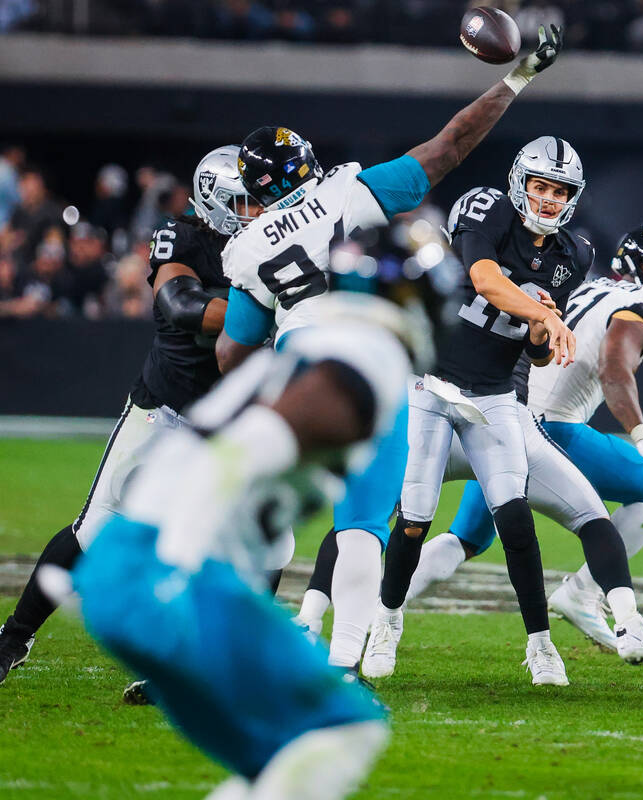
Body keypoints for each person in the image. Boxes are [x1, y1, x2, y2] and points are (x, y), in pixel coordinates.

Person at [216, 25, 565, 679]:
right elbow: (450, 145)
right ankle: (344, 661)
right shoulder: (345, 190)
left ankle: (218, 650)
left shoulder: (248, 246)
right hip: (374, 363)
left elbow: (234, 350)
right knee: (361, 526)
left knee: (252, 519)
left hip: (296, 370)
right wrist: (516, 79)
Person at [70, 292, 428, 800]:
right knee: (347, 727)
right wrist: (178, 567)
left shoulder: (309, 351)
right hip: (165, 568)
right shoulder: (366, 360)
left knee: (274, 762)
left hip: (123, 570)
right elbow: (245, 449)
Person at [375, 138, 643, 687]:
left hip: (496, 398)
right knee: (413, 517)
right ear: (520, 184)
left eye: (560, 191)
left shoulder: (573, 255)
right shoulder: (486, 211)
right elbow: (486, 279)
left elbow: (534, 351)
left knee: (514, 520)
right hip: (434, 386)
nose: (549, 198)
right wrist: (544, 314)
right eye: (541, 186)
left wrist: (540, 332)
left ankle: (540, 647)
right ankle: (384, 623)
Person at [0, 146, 258, 686]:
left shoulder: (274, 238)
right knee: (97, 528)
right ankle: (14, 637)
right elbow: (179, 305)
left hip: (235, 418)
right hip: (166, 407)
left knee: (233, 543)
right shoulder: (184, 236)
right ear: (212, 199)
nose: (255, 209)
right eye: (242, 200)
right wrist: (270, 316)